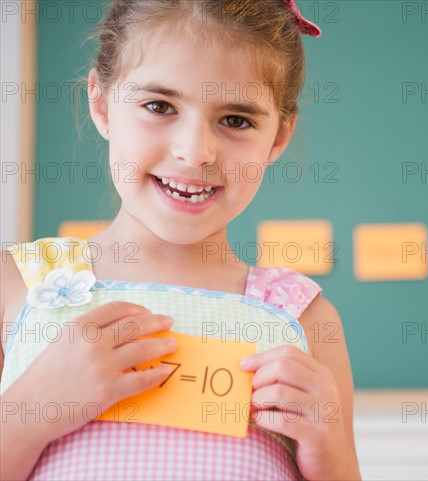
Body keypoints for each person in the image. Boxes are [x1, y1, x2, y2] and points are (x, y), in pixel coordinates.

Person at [0, 1, 360, 480]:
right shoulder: (17, 286)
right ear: (102, 102)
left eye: (236, 120)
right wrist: (31, 409)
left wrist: (328, 450)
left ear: (278, 138)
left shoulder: (303, 318)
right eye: (159, 106)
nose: (194, 153)